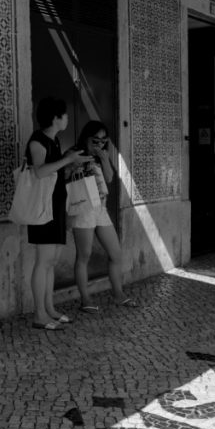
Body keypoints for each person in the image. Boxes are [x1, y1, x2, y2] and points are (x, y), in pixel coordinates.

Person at [26, 97, 91, 330]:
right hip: (42, 209)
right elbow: (40, 172)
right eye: (64, 115)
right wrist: (68, 159)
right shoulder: (38, 141)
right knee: (43, 262)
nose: (67, 119)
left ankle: (50, 308)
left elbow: (54, 176)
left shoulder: (54, 141)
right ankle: (39, 314)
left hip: (55, 207)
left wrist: (71, 166)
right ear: (55, 117)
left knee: (51, 261)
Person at [65, 121, 136, 311]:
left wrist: (104, 158)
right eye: (96, 140)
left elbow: (110, 178)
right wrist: (72, 166)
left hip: (100, 208)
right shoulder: (74, 153)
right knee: (84, 255)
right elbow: (61, 177)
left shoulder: (101, 155)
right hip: (82, 209)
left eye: (104, 141)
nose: (100, 145)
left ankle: (118, 294)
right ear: (86, 138)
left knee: (116, 253)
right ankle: (85, 299)